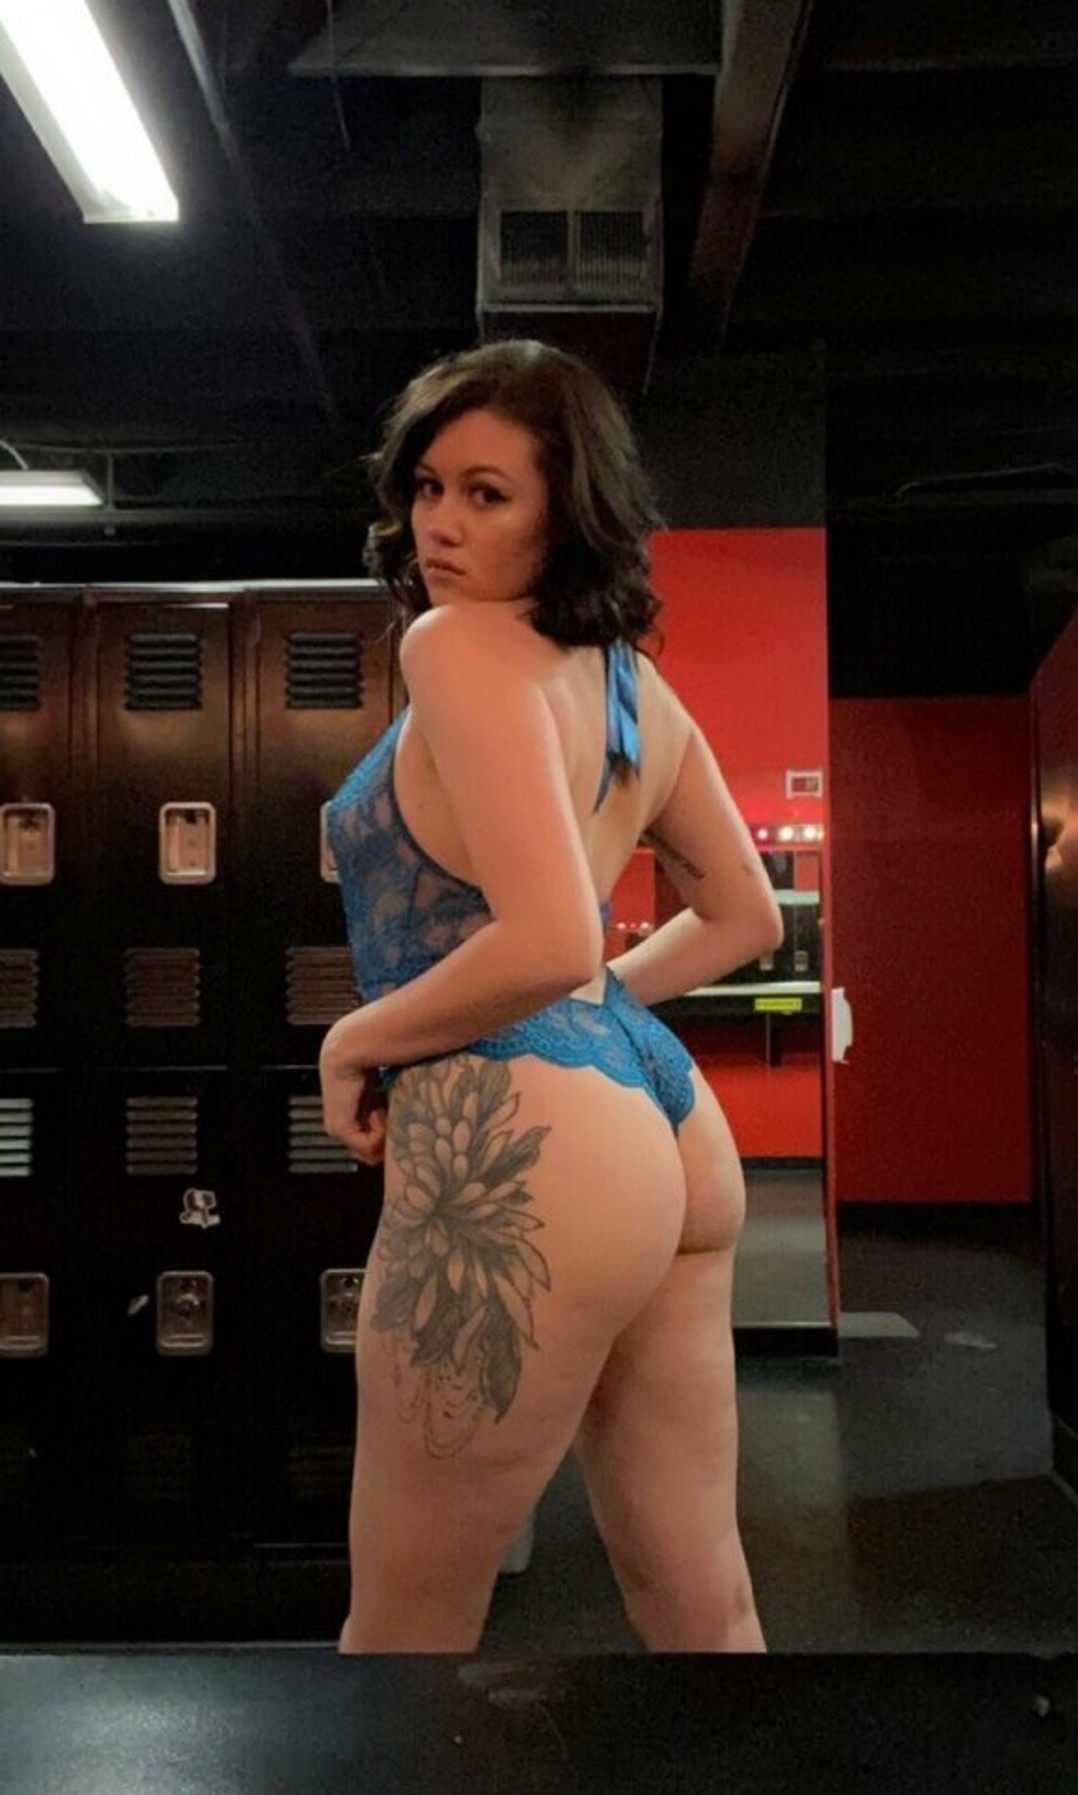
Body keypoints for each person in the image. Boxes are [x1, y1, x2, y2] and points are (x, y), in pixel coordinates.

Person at [321, 339, 783, 1653]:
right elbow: (743, 917)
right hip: (658, 1117)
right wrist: (594, 1000)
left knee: (403, 1626)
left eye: (487, 494)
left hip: (522, 1132)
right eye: (427, 487)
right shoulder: (635, 685)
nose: (439, 524)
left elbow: (543, 938)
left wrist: (354, 1041)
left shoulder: (455, 648)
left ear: (565, 514)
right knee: (704, 1601)